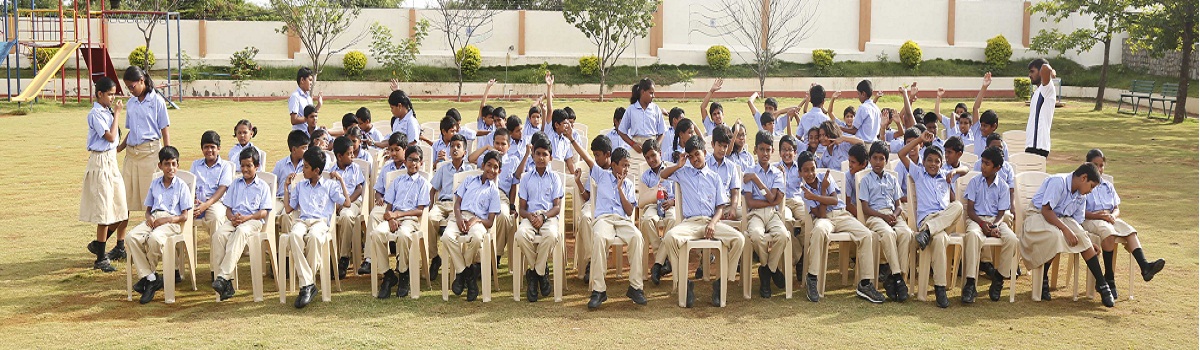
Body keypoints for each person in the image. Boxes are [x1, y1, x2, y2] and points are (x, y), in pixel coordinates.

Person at [659, 136, 745, 308]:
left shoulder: (714, 177)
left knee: (739, 239)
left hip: (709, 221)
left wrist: (713, 223)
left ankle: (721, 283)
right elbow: (662, 174)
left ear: (705, 153)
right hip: (690, 223)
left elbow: (720, 207)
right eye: (690, 156)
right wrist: (679, 164)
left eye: (697, 154)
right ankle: (684, 283)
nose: (694, 159)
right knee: (669, 237)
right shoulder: (683, 173)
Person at [1021, 163, 1114, 307]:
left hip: (1062, 219)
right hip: (1039, 216)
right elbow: (1046, 210)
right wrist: (1065, 230)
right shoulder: (1058, 182)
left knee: (1082, 238)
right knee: (1055, 235)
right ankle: (1043, 277)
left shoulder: (1081, 195)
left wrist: (1088, 241)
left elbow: (1077, 223)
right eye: (1091, 186)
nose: (1091, 191)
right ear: (1083, 178)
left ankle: (1103, 286)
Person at [797, 150, 882, 304]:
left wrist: (817, 195)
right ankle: (812, 277)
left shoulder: (825, 178)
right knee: (818, 231)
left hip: (841, 215)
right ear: (800, 173)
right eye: (806, 170)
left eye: (812, 169)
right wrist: (823, 192)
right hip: (825, 219)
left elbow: (835, 201)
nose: (810, 173)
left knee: (866, 234)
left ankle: (865, 283)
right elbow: (822, 214)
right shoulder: (804, 191)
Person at [571, 138, 646, 309]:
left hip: (622, 220)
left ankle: (636, 287)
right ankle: (599, 290)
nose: (626, 169)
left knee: (637, 237)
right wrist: (571, 138)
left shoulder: (627, 184)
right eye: (623, 165)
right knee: (598, 237)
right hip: (604, 219)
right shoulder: (601, 175)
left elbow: (629, 211)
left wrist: (620, 189)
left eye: (628, 166)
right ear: (613, 165)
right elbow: (586, 157)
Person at [1081, 149, 1165, 299]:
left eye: (1101, 165)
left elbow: (1116, 208)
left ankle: (1145, 267)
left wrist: (1112, 216)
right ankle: (1109, 278)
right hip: (1091, 219)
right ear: (1087, 165)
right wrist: (1098, 216)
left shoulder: (1108, 185)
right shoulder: (1085, 183)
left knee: (1129, 230)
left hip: (1109, 217)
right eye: (1095, 165)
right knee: (1108, 232)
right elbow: (1079, 211)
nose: (1099, 169)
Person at [899, 130, 969, 308]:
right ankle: (940, 288)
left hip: (944, 220)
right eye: (929, 160)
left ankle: (927, 232)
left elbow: (967, 169)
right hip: (928, 219)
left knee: (958, 206)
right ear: (923, 162)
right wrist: (919, 140)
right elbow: (901, 154)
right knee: (938, 239)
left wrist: (954, 172)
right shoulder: (919, 174)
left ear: (941, 163)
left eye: (937, 161)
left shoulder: (946, 174)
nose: (933, 164)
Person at [282, 148, 352, 308]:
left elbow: (347, 203)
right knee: (294, 236)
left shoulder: (330, 185)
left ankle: (306, 285)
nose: (302, 169)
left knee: (314, 237)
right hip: (302, 221)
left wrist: (341, 181)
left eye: (306, 167)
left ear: (316, 170)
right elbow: (288, 209)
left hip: (320, 222)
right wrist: (286, 187)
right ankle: (309, 284)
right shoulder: (300, 186)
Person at [126, 146, 193, 304]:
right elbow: (148, 209)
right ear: (160, 166)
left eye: (173, 164)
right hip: (154, 219)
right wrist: (149, 217)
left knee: (154, 239)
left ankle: (148, 278)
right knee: (131, 237)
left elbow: (184, 216)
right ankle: (151, 277)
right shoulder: (155, 184)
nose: (170, 168)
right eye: (167, 164)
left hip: (172, 222)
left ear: (178, 165)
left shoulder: (181, 186)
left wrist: (167, 220)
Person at [118, 66, 172, 263]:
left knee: (153, 200)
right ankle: (120, 244)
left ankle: (152, 241)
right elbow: (131, 131)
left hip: (150, 153)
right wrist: (119, 148)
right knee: (125, 199)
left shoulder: (156, 101)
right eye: (127, 88)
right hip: (132, 154)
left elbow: (164, 130)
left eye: (132, 86)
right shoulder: (131, 103)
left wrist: (167, 157)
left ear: (142, 81)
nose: (130, 90)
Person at [210, 147, 272, 301]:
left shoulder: (262, 186)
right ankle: (227, 283)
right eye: (242, 165)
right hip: (235, 220)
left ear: (256, 167)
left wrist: (247, 218)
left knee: (241, 232)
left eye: (249, 166)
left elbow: (263, 212)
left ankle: (223, 277)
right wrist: (232, 218)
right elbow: (228, 209)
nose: (245, 169)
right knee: (218, 235)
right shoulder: (235, 184)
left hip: (253, 221)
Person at [441, 151, 504, 302]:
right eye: (489, 165)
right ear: (483, 165)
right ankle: (467, 273)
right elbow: (457, 203)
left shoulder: (494, 191)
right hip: (460, 216)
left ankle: (462, 274)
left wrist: (476, 220)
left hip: (479, 221)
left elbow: (490, 221)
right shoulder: (469, 180)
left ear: (499, 171)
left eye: (495, 167)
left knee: (476, 238)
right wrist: (458, 218)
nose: (491, 169)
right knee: (446, 236)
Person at [80, 77, 128, 273]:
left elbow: (115, 142)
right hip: (100, 162)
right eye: (109, 94)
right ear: (100, 94)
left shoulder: (106, 111)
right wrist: (117, 113)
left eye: (113, 94)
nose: (112, 98)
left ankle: (100, 245)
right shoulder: (95, 114)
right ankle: (100, 258)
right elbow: (109, 136)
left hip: (110, 161)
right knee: (104, 211)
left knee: (121, 207)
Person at [370, 145, 431, 299]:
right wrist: (390, 218)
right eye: (410, 159)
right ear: (405, 161)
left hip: (411, 219)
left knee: (404, 235)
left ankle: (404, 272)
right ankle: (387, 273)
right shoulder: (397, 181)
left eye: (416, 160)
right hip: (393, 217)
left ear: (421, 162)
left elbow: (419, 210)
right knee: (376, 233)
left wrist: (399, 214)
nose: (413, 163)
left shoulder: (423, 183)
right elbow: (388, 207)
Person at [961, 146, 1019, 303]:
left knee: (1012, 240)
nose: (983, 166)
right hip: (976, 219)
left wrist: (994, 226)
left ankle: (999, 279)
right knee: (973, 235)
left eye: (987, 164)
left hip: (995, 221)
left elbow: (1001, 213)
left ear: (997, 168)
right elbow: (970, 210)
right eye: (982, 162)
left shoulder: (1003, 187)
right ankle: (970, 283)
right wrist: (982, 224)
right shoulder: (974, 182)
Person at [857, 141, 912, 302]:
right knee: (888, 234)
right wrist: (884, 217)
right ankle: (897, 278)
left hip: (893, 215)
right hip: (875, 217)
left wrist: (894, 215)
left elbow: (899, 205)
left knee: (906, 233)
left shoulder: (892, 179)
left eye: (881, 159)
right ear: (870, 159)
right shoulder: (866, 180)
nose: (878, 162)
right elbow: (865, 208)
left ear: (886, 161)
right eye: (875, 158)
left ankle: (895, 277)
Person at [515, 135, 564, 302]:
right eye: (538, 154)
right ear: (533, 155)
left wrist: (543, 216)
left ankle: (535, 272)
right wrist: (531, 216)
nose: (541, 158)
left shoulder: (555, 178)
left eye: (545, 154)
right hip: (530, 217)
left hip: (548, 217)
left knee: (551, 235)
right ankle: (540, 270)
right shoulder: (526, 178)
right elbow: (521, 208)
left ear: (550, 157)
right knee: (521, 235)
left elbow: (557, 207)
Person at [742, 131, 789, 299]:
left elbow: (773, 199)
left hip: (772, 214)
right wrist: (771, 201)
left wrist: (756, 180)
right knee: (755, 235)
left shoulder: (776, 172)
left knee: (783, 235)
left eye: (768, 150)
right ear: (755, 150)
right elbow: (751, 203)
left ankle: (767, 270)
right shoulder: (748, 171)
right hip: (755, 214)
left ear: (772, 151)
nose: (765, 153)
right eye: (761, 149)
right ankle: (770, 268)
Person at [360, 131, 409, 275]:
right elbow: (378, 190)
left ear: (404, 150)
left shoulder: (410, 166)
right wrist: (379, 197)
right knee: (374, 214)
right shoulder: (387, 167)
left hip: (405, 208)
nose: (393, 153)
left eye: (397, 150)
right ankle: (369, 259)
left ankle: (401, 259)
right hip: (387, 205)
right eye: (391, 150)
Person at [428, 134, 476, 278]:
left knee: (451, 226)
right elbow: (433, 190)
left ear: (464, 152)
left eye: (458, 146)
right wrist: (431, 205)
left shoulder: (469, 171)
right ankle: (435, 257)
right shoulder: (443, 168)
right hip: (443, 204)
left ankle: (459, 265)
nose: (455, 149)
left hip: (458, 206)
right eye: (452, 146)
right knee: (430, 218)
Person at [191, 131, 235, 271]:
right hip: (197, 202)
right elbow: (190, 185)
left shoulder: (225, 166)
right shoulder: (196, 165)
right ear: (202, 148)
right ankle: (176, 269)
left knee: (216, 218)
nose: (209, 150)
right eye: (206, 147)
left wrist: (206, 205)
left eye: (212, 147)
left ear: (218, 148)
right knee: (178, 219)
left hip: (216, 203)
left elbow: (223, 188)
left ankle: (215, 269)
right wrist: (194, 202)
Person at [639, 139, 678, 286]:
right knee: (647, 220)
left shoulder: (671, 170)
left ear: (660, 153)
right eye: (647, 158)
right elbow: (642, 200)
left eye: (653, 156)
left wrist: (672, 202)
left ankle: (657, 265)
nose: (651, 160)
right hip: (652, 206)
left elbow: (680, 194)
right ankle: (662, 260)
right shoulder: (646, 176)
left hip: (670, 205)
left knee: (673, 220)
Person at [330, 136, 367, 280]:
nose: (353, 156)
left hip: (353, 202)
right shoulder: (331, 171)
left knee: (346, 216)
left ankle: (344, 258)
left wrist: (346, 202)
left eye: (353, 153)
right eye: (349, 154)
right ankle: (329, 258)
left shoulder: (355, 168)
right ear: (339, 156)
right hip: (335, 205)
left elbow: (358, 189)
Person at [272, 131, 310, 236]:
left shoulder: (307, 165)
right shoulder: (280, 164)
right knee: (270, 213)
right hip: (280, 198)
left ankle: (287, 248)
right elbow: (274, 182)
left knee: (286, 216)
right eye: (304, 148)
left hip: (296, 200)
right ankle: (272, 246)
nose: (306, 151)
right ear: (294, 149)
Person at [616, 78, 667, 153]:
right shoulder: (631, 109)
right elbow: (621, 131)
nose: (653, 96)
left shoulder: (655, 109)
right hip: (636, 149)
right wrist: (633, 144)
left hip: (652, 148)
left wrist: (656, 146)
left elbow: (662, 132)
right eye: (651, 93)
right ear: (643, 92)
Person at [707, 125, 743, 222]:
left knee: (748, 215)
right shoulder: (705, 165)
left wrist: (734, 208)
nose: (722, 149)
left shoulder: (731, 166)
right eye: (719, 145)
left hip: (727, 207)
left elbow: (735, 191)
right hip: (709, 208)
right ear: (712, 144)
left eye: (725, 146)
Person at [1025, 58, 1057, 157]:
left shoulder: (1047, 88)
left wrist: (1051, 71)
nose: (1029, 75)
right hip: (1031, 144)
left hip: (1040, 145)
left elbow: (1045, 67)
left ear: (1040, 72)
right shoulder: (1037, 92)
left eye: (1032, 71)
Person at [289, 67, 322, 131]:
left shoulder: (308, 97)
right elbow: (293, 120)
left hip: (310, 132)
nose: (311, 83)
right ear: (302, 80)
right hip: (301, 135)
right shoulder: (295, 97)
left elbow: (311, 113)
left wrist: (318, 105)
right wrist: (308, 119)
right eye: (309, 80)